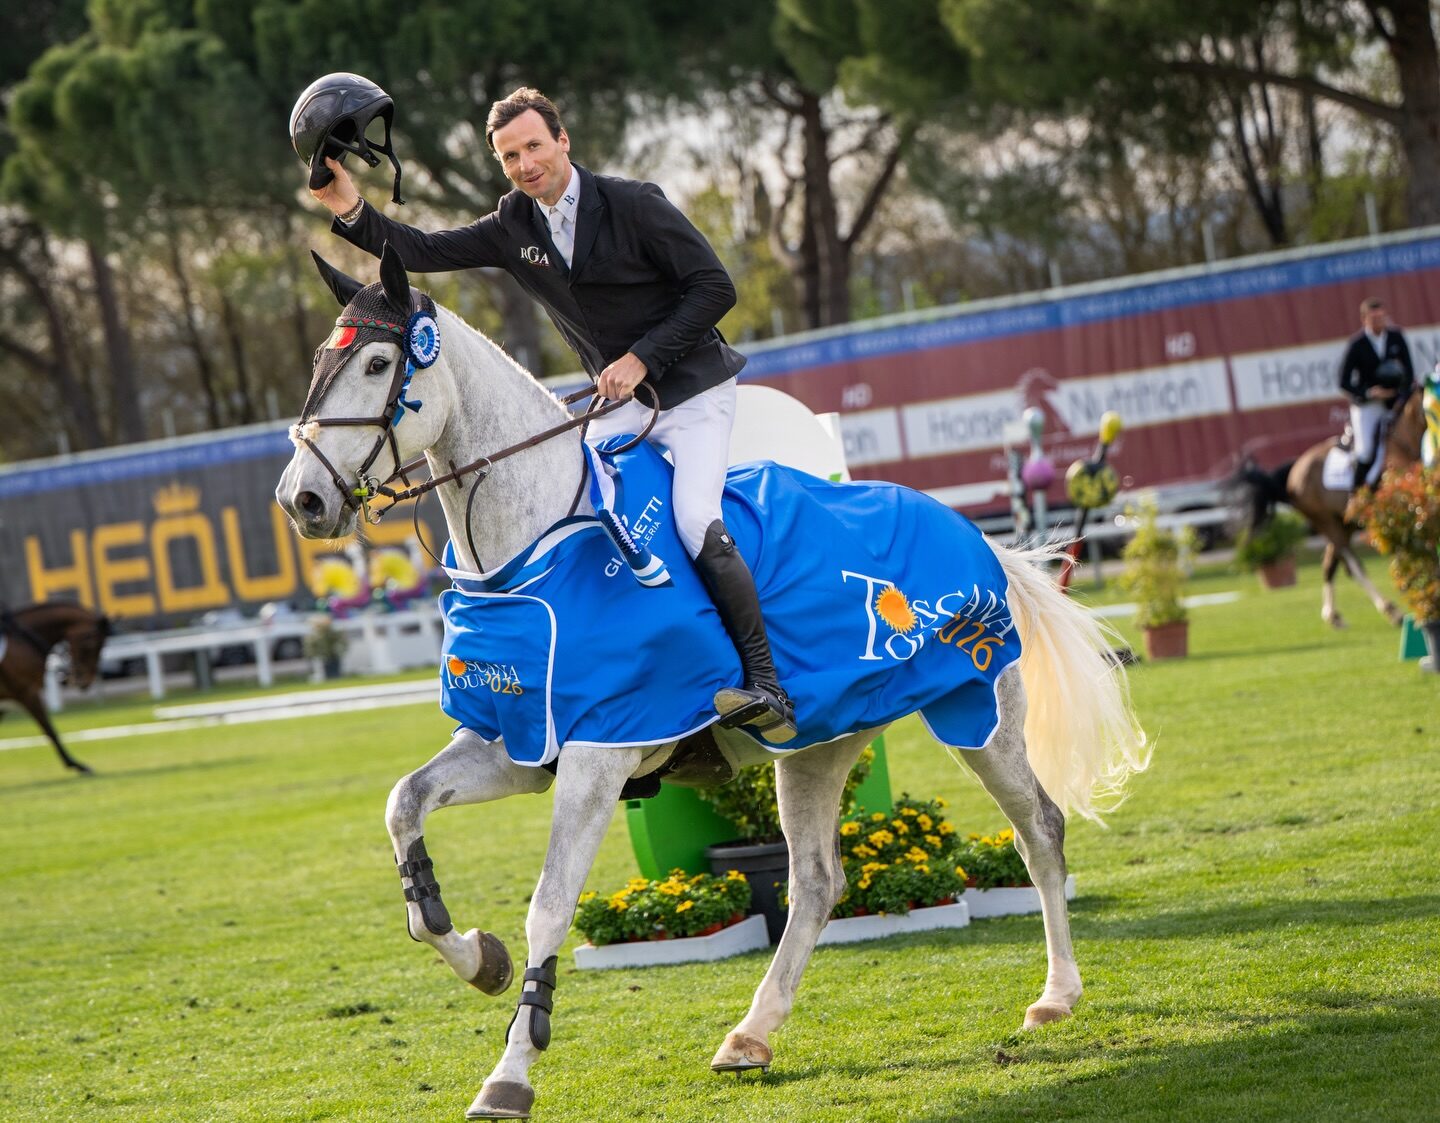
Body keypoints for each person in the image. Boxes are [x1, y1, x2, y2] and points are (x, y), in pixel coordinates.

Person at [305, 84, 796, 741]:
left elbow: (716, 287)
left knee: (693, 517)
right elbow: (421, 251)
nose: (524, 163)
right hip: (622, 404)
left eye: (534, 146)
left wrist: (642, 359)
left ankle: (767, 683)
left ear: (562, 141)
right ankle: (633, 671)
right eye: (509, 156)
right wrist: (349, 206)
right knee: (576, 513)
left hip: (693, 393)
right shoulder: (515, 225)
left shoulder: (634, 203)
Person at [1337, 297, 1414, 491]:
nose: (1380, 321)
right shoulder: (1357, 344)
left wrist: (1399, 394)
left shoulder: (1396, 337)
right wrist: (1369, 393)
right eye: (1374, 318)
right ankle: (1356, 495)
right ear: (1364, 320)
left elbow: (1409, 372)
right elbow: (1343, 381)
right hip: (1368, 405)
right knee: (1365, 452)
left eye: (1382, 317)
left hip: (1395, 402)